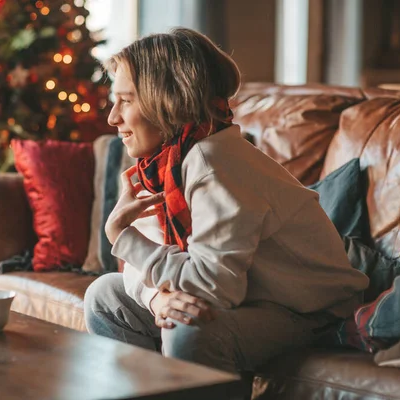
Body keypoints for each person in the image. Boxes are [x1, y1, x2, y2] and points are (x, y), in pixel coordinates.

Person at [83, 27, 369, 375]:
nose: (112, 117)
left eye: (126, 101)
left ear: (168, 100)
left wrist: (122, 236)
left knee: (187, 330)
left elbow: (214, 289)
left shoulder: (214, 163)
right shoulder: (163, 164)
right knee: (104, 296)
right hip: (252, 300)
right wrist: (156, 297)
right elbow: (144, 264)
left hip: (310, 312)